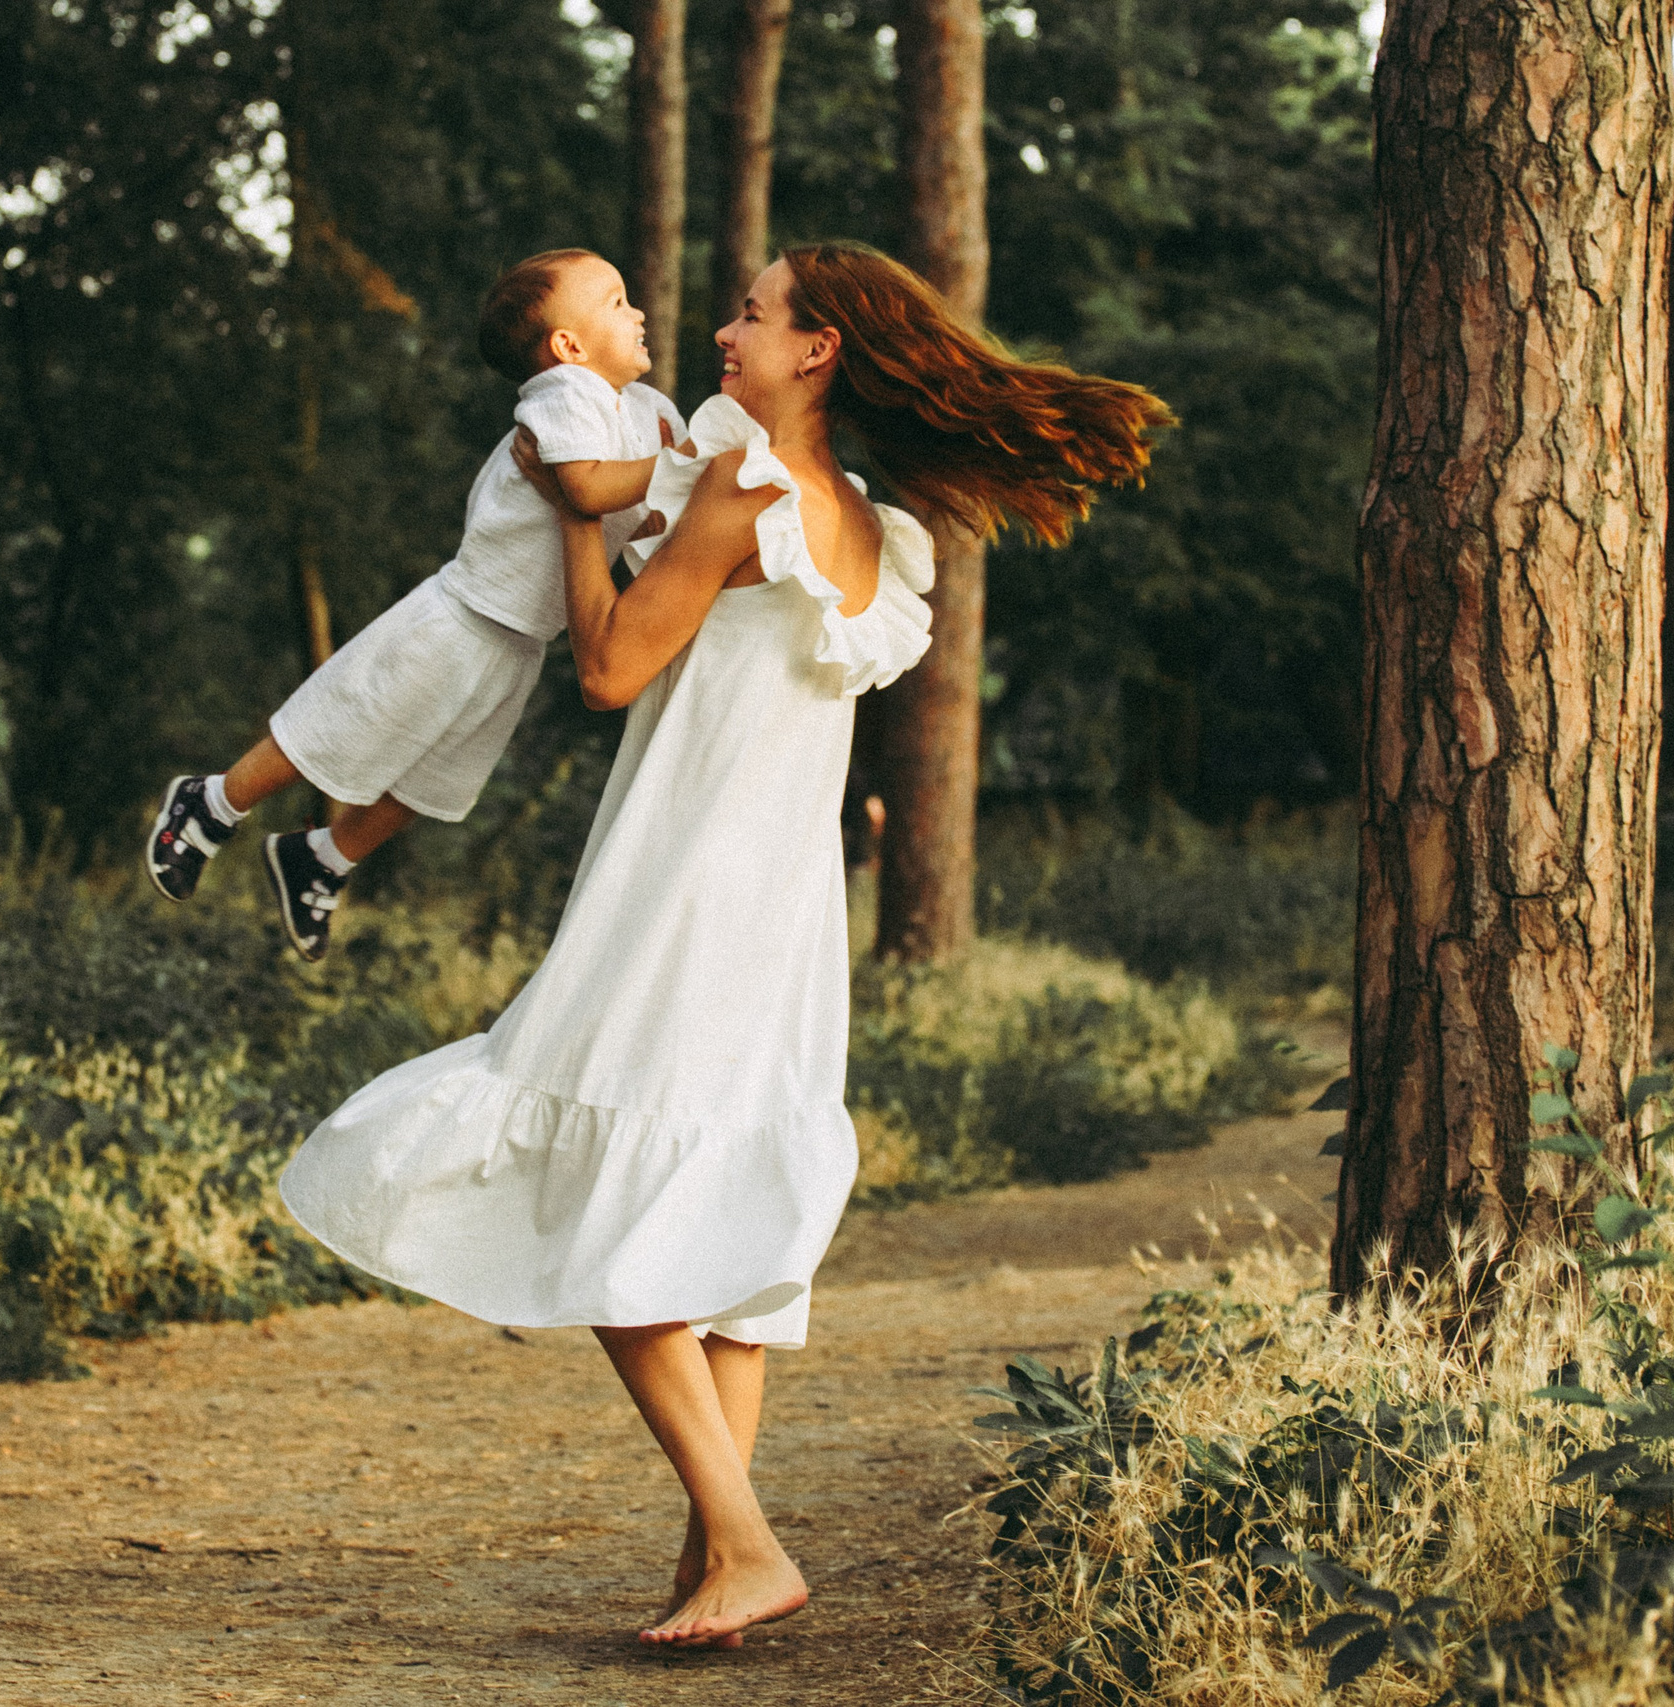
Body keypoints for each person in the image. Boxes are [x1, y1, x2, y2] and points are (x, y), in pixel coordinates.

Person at [279, 241, 1172, 1648]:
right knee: (728, 1228)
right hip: (787, 899)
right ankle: (714, 1568)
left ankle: (747, 1541)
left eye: (752, 313)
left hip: (684, 876)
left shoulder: (738, 488)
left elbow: (609, 666)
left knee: (605, 1196)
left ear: (815, 351)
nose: (722, 324)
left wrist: (564, 510)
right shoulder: (864, 521)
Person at [142, 248, 684, 962]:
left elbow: (644, 520)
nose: (639, 310)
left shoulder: (648, 415)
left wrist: (675, 485)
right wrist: (687, 464)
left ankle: (323, 858)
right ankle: (211, 803)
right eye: (617, 301)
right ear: (568, 346)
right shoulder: (567, 394)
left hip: (522, 640)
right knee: (347, 719)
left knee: (439, 777)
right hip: (462, 616)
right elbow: (585, 489)